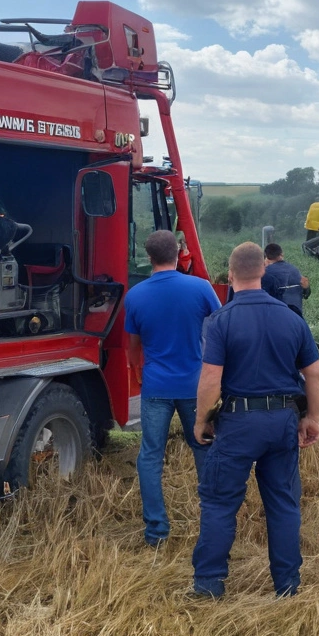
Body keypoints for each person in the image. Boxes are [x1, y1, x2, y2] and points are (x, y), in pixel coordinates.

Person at [191, 242, 319, 599]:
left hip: (238, 423)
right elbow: (315, 373)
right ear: (263, 271)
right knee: (282, 503)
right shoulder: (291, 318)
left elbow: (210, 379)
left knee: (220, 503)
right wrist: (311, 418)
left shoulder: (222, 319)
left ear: (230, 275)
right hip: (283, 421)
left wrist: (201, 419)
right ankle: (287, 586)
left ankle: (208, 585)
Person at [123, 230, 222, 547]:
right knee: (203, 447)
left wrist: (140, 373)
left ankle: (156, 532)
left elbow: (133, 348)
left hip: (156, 387)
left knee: (150, 456)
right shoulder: (200, 287)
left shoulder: (135, 295)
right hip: (195, 386)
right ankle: (212, 525)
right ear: (179, 253)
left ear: (148, 257)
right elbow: (223, 327)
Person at [261, 242, 311, 317]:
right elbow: (306, 294)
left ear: (266, 257)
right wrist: (307, 288)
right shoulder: (294, 270)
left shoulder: (265, 273)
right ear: (282, 254)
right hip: (296, 315)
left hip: (275, 316)